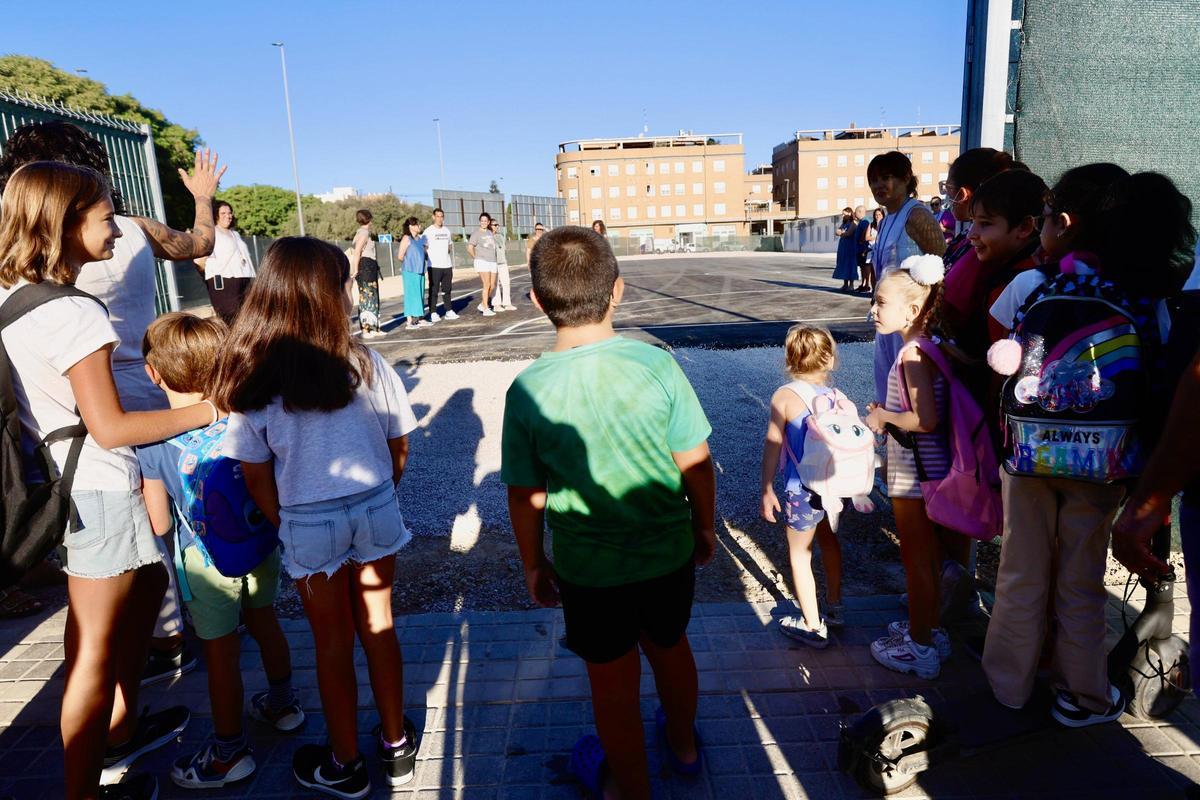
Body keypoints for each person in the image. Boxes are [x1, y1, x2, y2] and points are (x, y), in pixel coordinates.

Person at [0, 161, 219, 799]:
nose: (117, 234)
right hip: (99, 484)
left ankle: (120, 731)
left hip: (69, 485)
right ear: (64, 225)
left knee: (141, 588)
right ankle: (85, 787)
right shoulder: (76, 313)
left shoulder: (15, 300)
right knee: (91, 655)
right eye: (103, 220)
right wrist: (208, 410)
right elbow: (113, 427)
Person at [502, 226, 715, 800]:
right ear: (617, 291)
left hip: (588, 568)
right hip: (667, 551)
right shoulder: (657, 365)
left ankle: (631, 786)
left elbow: (526, 493)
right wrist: (703, 526)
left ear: (539, 301)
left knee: (612, 682)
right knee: (671, 649)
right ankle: (684, 746)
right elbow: (696, 462)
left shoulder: (526, 390)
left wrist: (532, 563)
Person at [983, 164, 1193, 727]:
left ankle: (1007, 688)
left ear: (1066, 223)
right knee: (1081, 580)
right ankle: (1083, 696)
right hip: (1102, 464)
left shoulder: (1032, 283)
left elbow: (1000, 357)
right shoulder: (1146, 297)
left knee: (1020, 572)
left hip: (1027, 457)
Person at [210, 237, 420, 797]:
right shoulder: (364, 361)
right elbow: (398, 442)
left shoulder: (254, 379)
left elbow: (253, 472)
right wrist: (381, 490)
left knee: (332, 643)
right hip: (374, 508)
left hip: (307, 520)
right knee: (380, 627)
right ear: (331, 296)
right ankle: (397, 746)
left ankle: (345, 762)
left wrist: (286, 521)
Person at [137, 313, 303, 790]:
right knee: (266, 620)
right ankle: (283, 703)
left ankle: (229, 752)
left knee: (222, 655)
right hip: (261, 544)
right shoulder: (243, 418)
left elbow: (160, 521)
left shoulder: (155, 439)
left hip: (205, 560)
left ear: (154, 373)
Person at [864, 259, 954, 680]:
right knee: (929, 559)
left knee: (916, 561)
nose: (873, 309)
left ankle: (919, 649)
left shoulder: (911, 354)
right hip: (931, 468)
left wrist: (883, 417)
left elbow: (925, 419)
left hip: (913, 473)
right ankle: (930, 630)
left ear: (913, 310)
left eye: (881, 302)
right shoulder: (930, 346)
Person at [759, 325, 845, 648]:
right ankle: (835, 607)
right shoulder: (834, 396)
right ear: (830, 360)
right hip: (833, 488)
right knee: (829, 541)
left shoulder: (784, 396)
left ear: (789, 359)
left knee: (799, 553)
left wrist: (766, 487)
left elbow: (773, 444)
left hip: (801, 489)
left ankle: (812, 625)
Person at [867, 151, 947, 404]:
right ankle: (890, 427)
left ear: (905, 179)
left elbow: (942, 262)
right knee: (888, 377)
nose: (879, 185)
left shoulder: (917, 214)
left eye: (886, 177)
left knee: (910, 382)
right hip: (890, 314)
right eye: (874, 180)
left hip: (912, 316)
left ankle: (912, 434)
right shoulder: (887, 217)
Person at [194, 200, 255, 324]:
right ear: (215, 215)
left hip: (244, 278)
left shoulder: (235, 234)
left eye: (230, 213)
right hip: (224, 282)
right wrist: (207, 278)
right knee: (230, 320)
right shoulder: (212, 233)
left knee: (248, 317)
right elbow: (199, 260)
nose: (228, 215)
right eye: (223, 213)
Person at [350, 209, 383, 338]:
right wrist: (356, 269)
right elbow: (357, 252)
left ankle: (374, 328)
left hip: (369, 265)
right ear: (370, 218)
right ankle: (366, 330)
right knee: (366, 297)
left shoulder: (362, 232)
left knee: (373, 297)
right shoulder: (363, 233)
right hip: (365, 266)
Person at [398, 216, 431, 330]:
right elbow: (400, 256)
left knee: (419, 295)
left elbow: (423, 253)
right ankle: (409, 322)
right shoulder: (406, 238)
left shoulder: (419, 239)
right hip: (410, 271)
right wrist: (410, 263)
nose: (420, 226)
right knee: (411, 295)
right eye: (417, 224)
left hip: (420, 270)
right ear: (411, 226)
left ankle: (420, 319)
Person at [424, 207, 456, 321]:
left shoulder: (447, 231)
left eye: (441, 216)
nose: (439, 218)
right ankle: (433, 312)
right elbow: (424, 247)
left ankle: (449, 311)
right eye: (437, 216)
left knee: (447, 289)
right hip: (434, 266)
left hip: (447, 265)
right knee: (434, 290)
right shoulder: (428, 231)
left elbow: (449, 246)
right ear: (433, 217)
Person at [467, 212, 498, 316]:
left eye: (485, 221)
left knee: (492, 286)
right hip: (482, 261)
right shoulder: (476, 233)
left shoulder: (490, 232)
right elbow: (470, 248)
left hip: (492, 261)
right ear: (480, 222)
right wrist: (476, 258)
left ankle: (482, 304)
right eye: (482, 221)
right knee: (487, 284)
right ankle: (485, 308)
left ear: (488, 222)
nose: (483, 222)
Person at [491, 218, 515, 311]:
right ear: (490, 226)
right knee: (496, 284)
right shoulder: (488, 236)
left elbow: (503, 248)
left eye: (497, 225)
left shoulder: (500, 236)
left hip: (503, 262)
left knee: (506, 283)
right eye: (494, 225)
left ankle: (507, 303)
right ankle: (496, 305)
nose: (496, 226)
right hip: (494, 263)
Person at [858, 208, 884, 293]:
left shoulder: (885, 224)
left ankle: (881, 290)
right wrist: (877, 237)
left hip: (882, 251)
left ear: (883, 215)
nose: (877, 217)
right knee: (872, 272)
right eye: (876, 215)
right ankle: (873, 290)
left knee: (881, 272)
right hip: (872, 250)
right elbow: (866, 237)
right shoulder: (871, 225)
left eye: (879, 215)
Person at [832, 207, 859, 291]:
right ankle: (845, 284)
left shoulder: (853, 223)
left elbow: (848, 233)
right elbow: (837, 232)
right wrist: (841, 233)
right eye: (842, 214)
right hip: (843, 247)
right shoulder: (844, 223)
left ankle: (851, 285)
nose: (842, 215)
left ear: (850, 213)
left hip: (850, 247)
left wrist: (842, 233)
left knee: (850, 265)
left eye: (844, 214)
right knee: (843, 264)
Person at [853, 205, 871, 292]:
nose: (854, 214)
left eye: (855, 212)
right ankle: (863, 284)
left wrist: (861, 240)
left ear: (860, 212)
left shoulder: (864, 221)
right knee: (862, 267)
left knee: (865, 267)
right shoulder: (862, 221)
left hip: (863, 248)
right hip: (861, 248)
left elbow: (866, 231)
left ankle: (866, 284)